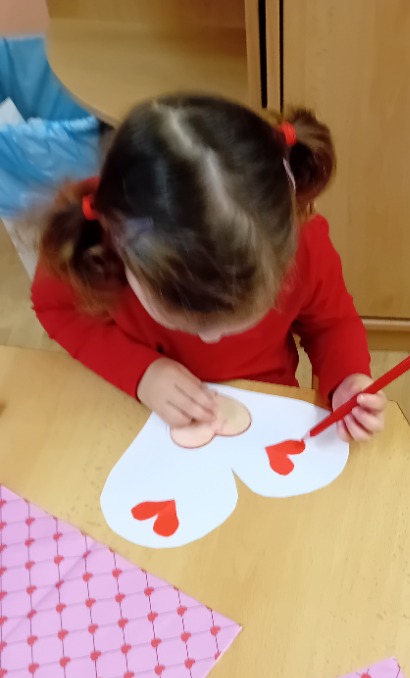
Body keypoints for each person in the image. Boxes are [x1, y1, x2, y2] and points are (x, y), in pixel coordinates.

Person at [31, 94, 385, 442]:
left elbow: (331, 324)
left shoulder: (301, 243)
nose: (210, 339)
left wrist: (347, 378)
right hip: (142, 414)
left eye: (229, 320)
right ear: (124, 250)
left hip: (265, 411)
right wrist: (141, 372)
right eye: (188, 320)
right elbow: (56, 309)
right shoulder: (95, 240)